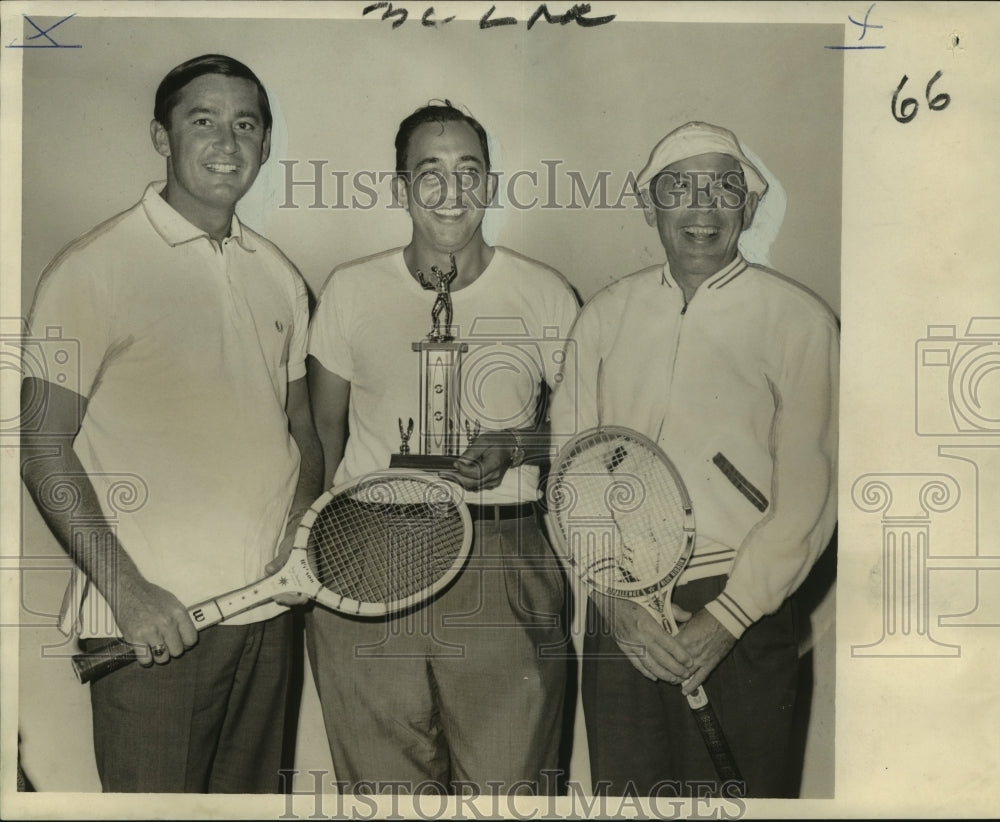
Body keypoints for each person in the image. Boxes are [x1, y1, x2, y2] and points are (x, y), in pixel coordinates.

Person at [20, 54, 322, 793]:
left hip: (266, 616)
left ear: (264, 143)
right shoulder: (92, 268)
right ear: (162, 137)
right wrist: (127, 592)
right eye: (203, 120)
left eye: (245, 124)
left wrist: (299, 531)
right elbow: (40, 446)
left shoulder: (278, 273)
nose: (228, 141)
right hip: (154, 626)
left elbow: (304, 434)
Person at [549, 121, 838, 797]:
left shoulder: (799, 321)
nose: (701, 208)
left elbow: (811, 487)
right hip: (620, 614)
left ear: (750, 206)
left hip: (739, 612)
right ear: (650, 206)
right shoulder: (604, 317)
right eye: (679, 188)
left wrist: (732, 613)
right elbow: (569, 472)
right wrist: (609, 596)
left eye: (722, 188)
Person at [305, 101, 580, 793]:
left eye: (468, 171)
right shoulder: (349, 290)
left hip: (502, 557)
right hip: (368, 555)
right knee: (384, 796)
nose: (450, 191)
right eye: (429, 173)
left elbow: (589, 434)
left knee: (509, 795)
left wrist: (516, 444)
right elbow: (319, 438)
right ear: (401, 188)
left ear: (489, 184)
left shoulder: (545, 294)